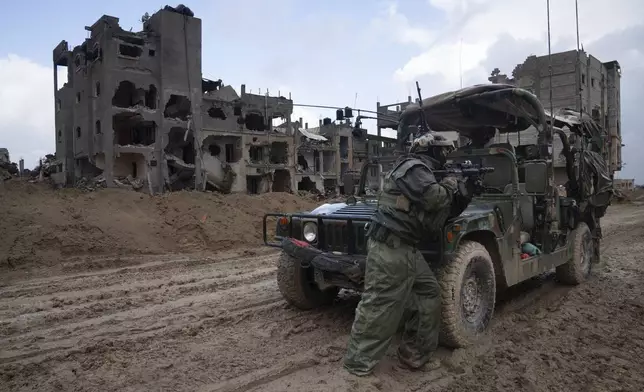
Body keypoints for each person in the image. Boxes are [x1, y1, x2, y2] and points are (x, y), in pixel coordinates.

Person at [344, 132, 475, 376]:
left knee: (428, 293)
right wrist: (450, 182)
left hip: (405, 248)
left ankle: (414, 355)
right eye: (444, 151)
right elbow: (435, 198)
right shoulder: (413, 167)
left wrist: (464, 195)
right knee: (380, 304)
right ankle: (357, 365)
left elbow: (440, 213)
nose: (446, 157)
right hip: (391, 248)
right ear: (432, 151)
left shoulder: (424, 172)